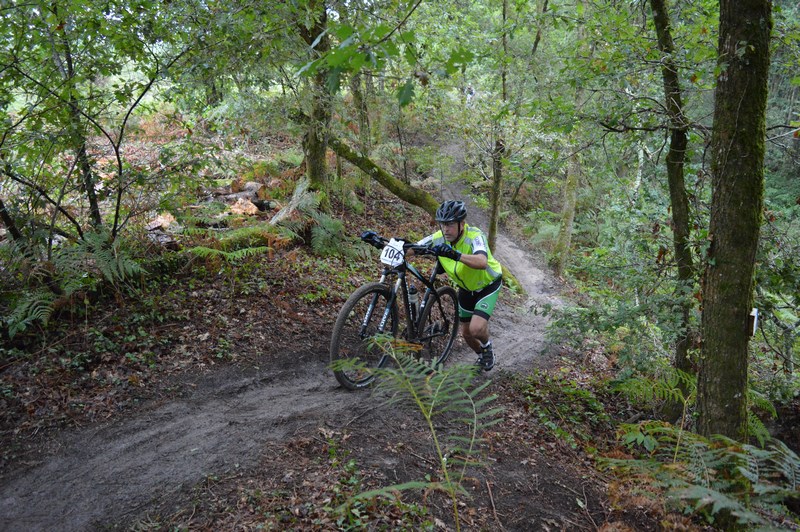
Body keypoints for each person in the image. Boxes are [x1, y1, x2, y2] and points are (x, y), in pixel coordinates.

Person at [417, 200, 503, 371]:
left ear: (461, 224)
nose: (446, 229)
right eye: (443, 224)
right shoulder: (439, 238)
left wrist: (456, 254)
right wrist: (388, 244)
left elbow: (481, 261)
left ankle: (487, 346)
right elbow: (414, 247)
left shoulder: (474, 236)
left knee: (476, 328)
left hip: (488, 285)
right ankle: (482, 355)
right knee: (466, 334)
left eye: (450, 224)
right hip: (466, 288)